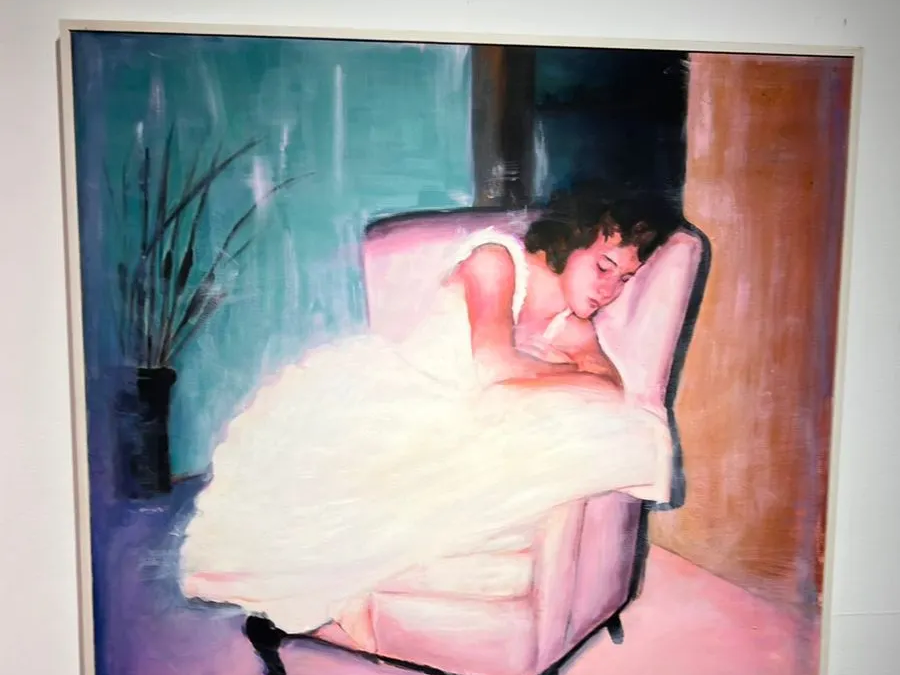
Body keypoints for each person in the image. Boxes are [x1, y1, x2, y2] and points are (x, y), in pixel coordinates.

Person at [179, 188, 678, 647]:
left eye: (625, 279)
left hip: (471, 419)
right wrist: (566, 372)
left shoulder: (570, 325)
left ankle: (368, 582)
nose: (610, 290)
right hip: (400, 400)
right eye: (604, 266)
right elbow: (495, 366)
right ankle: (342, 582)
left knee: (630, 429)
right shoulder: (497, 261)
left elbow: (609, 386)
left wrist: (564, 373)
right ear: (572, 241)